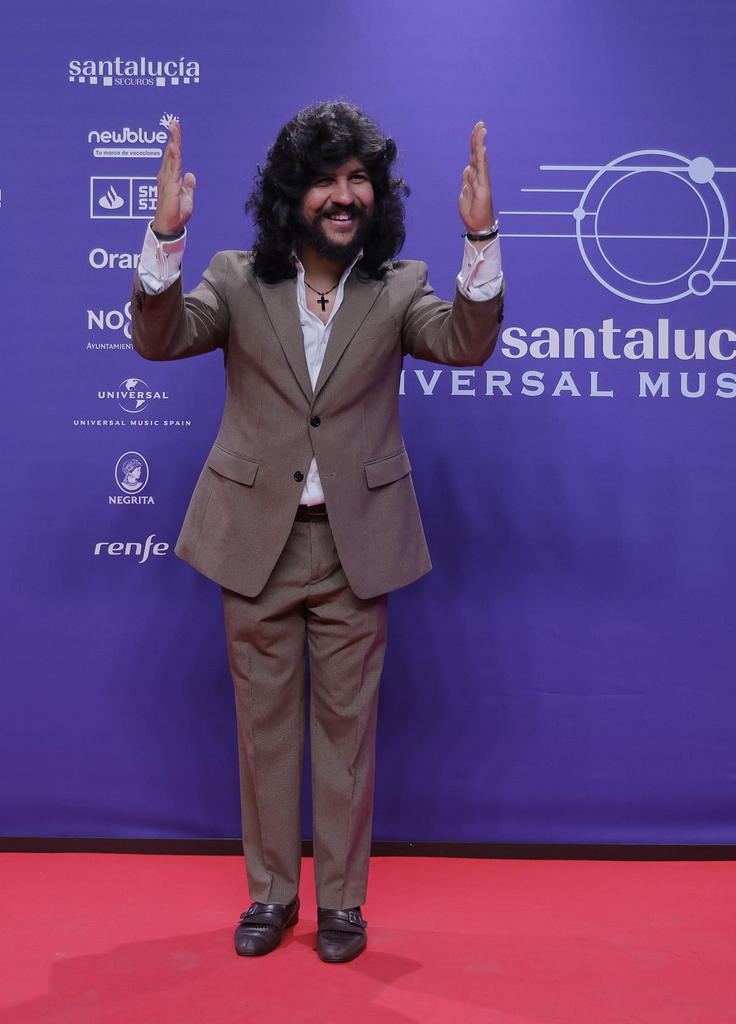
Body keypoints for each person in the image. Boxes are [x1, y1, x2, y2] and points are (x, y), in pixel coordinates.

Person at [129, 101, 504, 963]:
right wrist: (165, 239)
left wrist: (480, 242)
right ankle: (270, 895)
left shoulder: (400, 286)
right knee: (263, 729)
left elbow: (465, 343)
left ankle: (342, 904)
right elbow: (158, 339)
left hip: (353, 542)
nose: (345, 196)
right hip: (254, 541)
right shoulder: (233, 277)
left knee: (348, 733)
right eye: (327, 180)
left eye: (359, 179)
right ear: (292, 194)